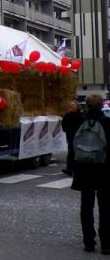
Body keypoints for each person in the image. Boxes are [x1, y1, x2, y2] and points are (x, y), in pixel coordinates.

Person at [65, 94, 110, 253]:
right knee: (105, 205)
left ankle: (88, 241)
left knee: (86, 205)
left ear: (87, 105)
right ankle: (106, 243)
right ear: (101, 106)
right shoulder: (106, 122)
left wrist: (74, 111)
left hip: (83, 167)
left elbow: (66, 129)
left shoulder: (77, 120)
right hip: (103, 168)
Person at [61, 99, 83, 176]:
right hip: (70, 137)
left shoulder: (81, 116)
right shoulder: (67, 116)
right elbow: (63, 127)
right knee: (71, 153)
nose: (70, 107)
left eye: (72, 106)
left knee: (78, 154)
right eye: (70, 106)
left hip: (80, 138)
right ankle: (69, 169)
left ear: (77, 107)